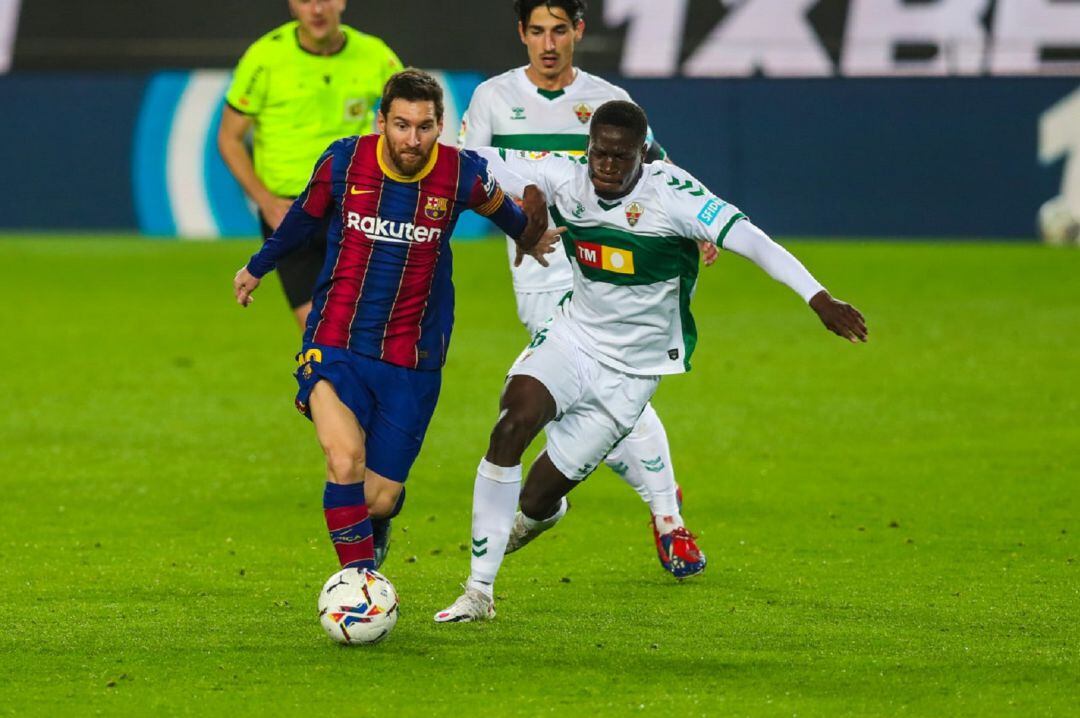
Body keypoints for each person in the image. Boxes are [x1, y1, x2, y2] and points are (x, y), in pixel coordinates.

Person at [434, 100, 868, 622]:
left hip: (632, 374)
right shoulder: (565, 173)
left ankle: (541, 513)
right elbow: (469, 160)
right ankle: (479, 592)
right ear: (588, 147)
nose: (607, 167)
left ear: (645, 153)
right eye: (599, 154)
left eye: (620, 156)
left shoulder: (674, 196)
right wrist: (407, 147)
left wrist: (818, 298)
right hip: (573, 338)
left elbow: (754, 242)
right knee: (512, 424)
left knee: (536, 502)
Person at [233, 69, 560, 577]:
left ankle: (376, 523)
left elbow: (510, 217)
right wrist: (258, 266)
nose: (413, 139)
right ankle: (357, 587)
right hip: (336, 337)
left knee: (378, 499)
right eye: (402, 125)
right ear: (382, 121)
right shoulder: (344, 160)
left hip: (414, 354)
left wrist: (532, 238)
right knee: (343, 459)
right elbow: (301, 217)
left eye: (425, 127)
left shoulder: (462, 174)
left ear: (440, 125)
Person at [458, 0, 712, 578]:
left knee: (615, 391)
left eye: (560, 31)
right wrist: (519, 219)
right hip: (537, 264)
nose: (549, 44)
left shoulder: (607, 100)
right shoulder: (494, 97)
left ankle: (668, 520)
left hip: (606, 264)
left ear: (579, 31)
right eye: (538, 32)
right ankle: (546, 505)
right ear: (522, 34)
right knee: (590, 403)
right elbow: (472, 172)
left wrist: (701, 229)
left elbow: (660, 173)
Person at [219, 0, 402, 329]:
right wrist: (265, 201)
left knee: (365, 327)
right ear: (292, 5)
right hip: (290, 212)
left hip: (356, 204)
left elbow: (410, 119)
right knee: (320, 332)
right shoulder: (264, 58)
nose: (317, 9)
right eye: (306, 0)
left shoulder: (375, 55)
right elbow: (229, 138)